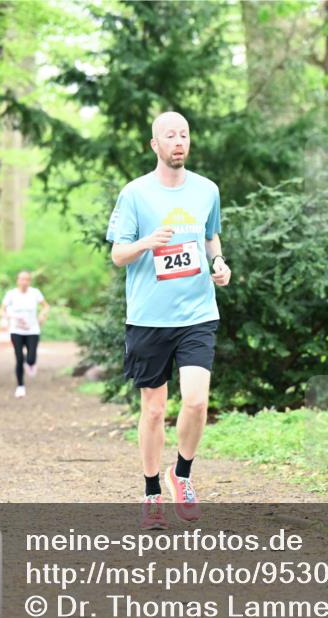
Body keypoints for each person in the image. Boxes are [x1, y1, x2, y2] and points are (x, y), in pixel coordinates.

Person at [106, 111, 231, 528]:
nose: (178, 141)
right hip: (148, 317)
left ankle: (182, 475)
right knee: (155, 410)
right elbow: (118, 255)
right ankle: (150, 492)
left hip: (197, 312)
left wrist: (219, 262)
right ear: (154, 145)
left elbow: (210, 235)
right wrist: (146, 242)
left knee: (196, 401)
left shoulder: (207, 190)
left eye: (184, 134)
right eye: (169, 136)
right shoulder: (135, 194)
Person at [0, 270, 49, 398]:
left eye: (27, 279)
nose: (24, 282)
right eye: (22, 279)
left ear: (30, 281)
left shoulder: (35, 293)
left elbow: (46, 306)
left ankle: (30, 363)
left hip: (32, 329)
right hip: (17, 330)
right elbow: (1, 310)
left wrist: (43, 315)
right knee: (19, 358)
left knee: (31, 358)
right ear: (18, 281)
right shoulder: (11, 294)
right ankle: (20, 386)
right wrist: (7, 317)